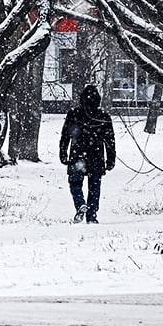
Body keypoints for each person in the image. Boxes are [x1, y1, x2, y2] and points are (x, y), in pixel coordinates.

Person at [60, 83, 115, 223]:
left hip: (78, 155)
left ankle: (80, 204)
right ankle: (92, 215)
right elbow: (110, 140)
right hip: (96, 155)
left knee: (75, 183)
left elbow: (65, 134)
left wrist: (63, 151)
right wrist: (111, 159)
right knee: (94, 186)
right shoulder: (103, 116)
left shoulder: (74, 114)